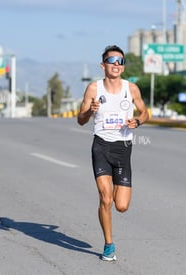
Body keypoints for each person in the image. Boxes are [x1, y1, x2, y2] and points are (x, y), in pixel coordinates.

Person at [77, 45, 148, 261]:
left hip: (123, 148)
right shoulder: (93, 89)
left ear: (123, 67)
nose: (116, 64)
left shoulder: (131, 88)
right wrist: (90, 111)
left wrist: (138, 120)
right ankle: (109, 245)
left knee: (122, 206)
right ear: (103, 65)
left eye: (120, 61)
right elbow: (80, 119)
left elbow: (145, 113)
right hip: (101, 146)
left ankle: (117, 193)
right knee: (105, 198)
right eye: (112, 60)